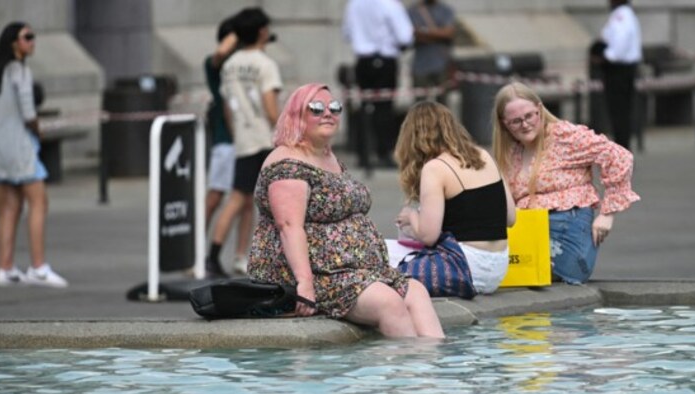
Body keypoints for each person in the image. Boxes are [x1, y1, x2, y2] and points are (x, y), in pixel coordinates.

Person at [248, 83, 444, 339]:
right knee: (389, 303)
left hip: (355, 271)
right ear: (296, 115)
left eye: (335, 107)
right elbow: (289, 227)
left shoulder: (327, 157)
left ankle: (436, 373)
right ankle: (409, 372)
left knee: (416, 291)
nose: (328, 113)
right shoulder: (287, 162)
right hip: (315, 274)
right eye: (316, 108)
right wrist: (304, 284)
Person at [491, 82, 640, 284]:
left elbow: (618, 157)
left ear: (540, 109)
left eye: (529, 116)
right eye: (516, 121)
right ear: (504, 124)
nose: (525, 124)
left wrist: (607, 214)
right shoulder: (510, 152)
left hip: (566, 229)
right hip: (527, 235)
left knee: (545, 286)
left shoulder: (563, 136)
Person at [390, 101, 516, 295]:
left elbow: (428, 236)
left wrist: (412, 217)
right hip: (499, 268)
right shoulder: (484, 155)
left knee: (380, 256)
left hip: (464, 267)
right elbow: (510, 218)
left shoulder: (435, 168)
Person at [0, 22, 68, 288]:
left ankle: (4, 267)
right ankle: (38, 266)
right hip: (20, 146)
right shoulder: (20, 71)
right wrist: (37, 129)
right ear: (13, 43)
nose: (32, 41)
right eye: (27, 37)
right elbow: (29, 113)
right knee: (39, 202)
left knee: (9, 207)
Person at [207, 7, 282, 277]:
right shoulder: (265, 64)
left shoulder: (230, 65)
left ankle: (238, 256)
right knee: (241, 198)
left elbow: (228, 108)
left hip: (242, 138)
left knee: (247, 199)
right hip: (263, 139)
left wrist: (238, 131)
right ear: (262, 31)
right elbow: (270, 107)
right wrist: (285, 131)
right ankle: (213, 256)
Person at [203, 16, 252, 276]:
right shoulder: (218, 65)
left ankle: (240, 255)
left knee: (247, 200)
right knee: (216, 197)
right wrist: (233, 36)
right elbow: (219, 55)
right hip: (225, 140)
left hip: (248, 142)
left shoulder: (246, 63)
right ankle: (197, 252)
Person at [343, 0, 414, 168]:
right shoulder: (390, 4)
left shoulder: (354, 4)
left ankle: (363, 152)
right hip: (384, 58)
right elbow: (405, 36)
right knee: (384, 107)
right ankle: (383, 152)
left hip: (363, 60)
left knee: (365, 106)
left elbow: (347, 33)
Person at [597, 0, 641, 150]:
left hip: (618, 70)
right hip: (624, 69)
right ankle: (623, 150)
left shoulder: (621, 16)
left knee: (619, 113)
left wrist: (604, 57)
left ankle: (622, 152)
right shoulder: (626, 14)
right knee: (621, 113)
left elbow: (619, 46)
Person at [407, 0, 456, 101]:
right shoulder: (412, 11)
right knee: (420, 104)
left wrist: (423, 31)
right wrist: (438, 34)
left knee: (443, 102)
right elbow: (412, 34)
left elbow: (448, 33)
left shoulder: (446, 10)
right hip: (420, 66)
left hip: (442, 64)